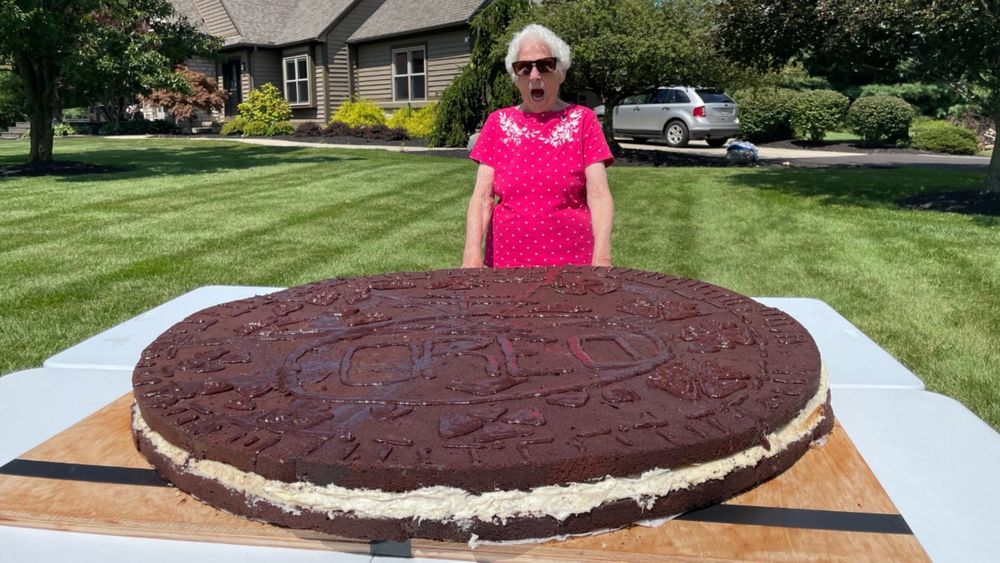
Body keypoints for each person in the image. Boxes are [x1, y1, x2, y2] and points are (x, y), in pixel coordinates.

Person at [463, 24, 614, 269]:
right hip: (505, 263)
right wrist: (471, 256)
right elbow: (482, 199)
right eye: (524, 67)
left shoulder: (584, 121)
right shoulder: (497, 123)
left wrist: (602, 260)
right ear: (516, 78)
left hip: (573, 263)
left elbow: (599, 197)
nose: (534, 75)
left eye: (545, 65)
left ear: (560, 71)